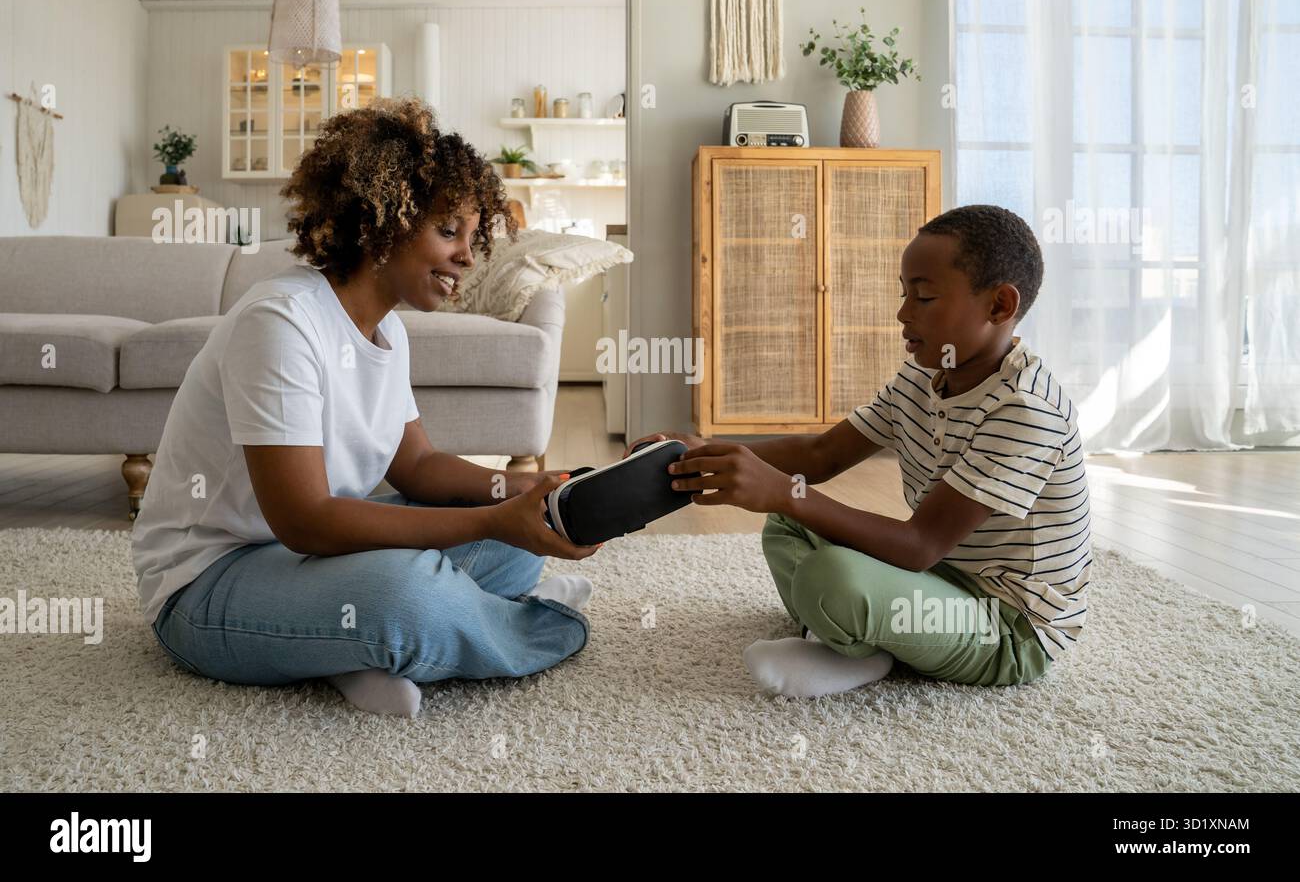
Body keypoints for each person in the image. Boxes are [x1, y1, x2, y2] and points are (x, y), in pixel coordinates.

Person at [133, 97, 600, 717]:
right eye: (447, 230)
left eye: (471, 234)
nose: (467, 254)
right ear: (384, 222)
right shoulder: (281, 322)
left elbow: (418, 466)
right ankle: (514, 623)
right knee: (411, 598)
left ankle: (353, 650)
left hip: (309, 563)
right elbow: (306, 521)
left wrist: (515, 487)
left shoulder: (389, 333)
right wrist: (491, 521)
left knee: (517, 545)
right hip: (209, 581)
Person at [629, 204, 1089, 697]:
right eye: (903, 293)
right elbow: (822, 455)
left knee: (832, 572)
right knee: (791, 523)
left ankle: (849, 644)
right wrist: (708, 448)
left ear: (999, 306)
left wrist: (784, 492)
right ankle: (850, 640)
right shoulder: (924, 374)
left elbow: (919, 546)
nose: (903, 313)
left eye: (925, 296)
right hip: (942, 576)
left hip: (1007, 624)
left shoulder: (1025, 410)